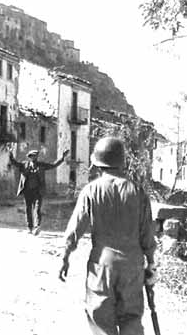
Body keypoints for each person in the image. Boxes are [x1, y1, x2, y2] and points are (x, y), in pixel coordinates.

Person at [58, 136, 157, 335]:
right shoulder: (138, 192)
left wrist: (65, 257)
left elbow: (75, 228)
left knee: (101, 322)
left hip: (102, 266)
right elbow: (147, 234)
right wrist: (151, 263)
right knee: (131, 320)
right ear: (122, 162)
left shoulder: (91, 191)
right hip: (132, 265)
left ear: (98, 163)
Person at [9, 148, 69, 235]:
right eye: (32, 156)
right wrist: (10, 154)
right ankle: (30, 227)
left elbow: (53, 165)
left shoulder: (41, 165)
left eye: (36, 156)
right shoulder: (24, 165)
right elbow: (14, 163)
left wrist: (62, 157)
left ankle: (37, 227)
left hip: (38, 191)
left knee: (37, 209)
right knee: (28, 209)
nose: (34, 158)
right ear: (29, 157)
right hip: (27, 191)